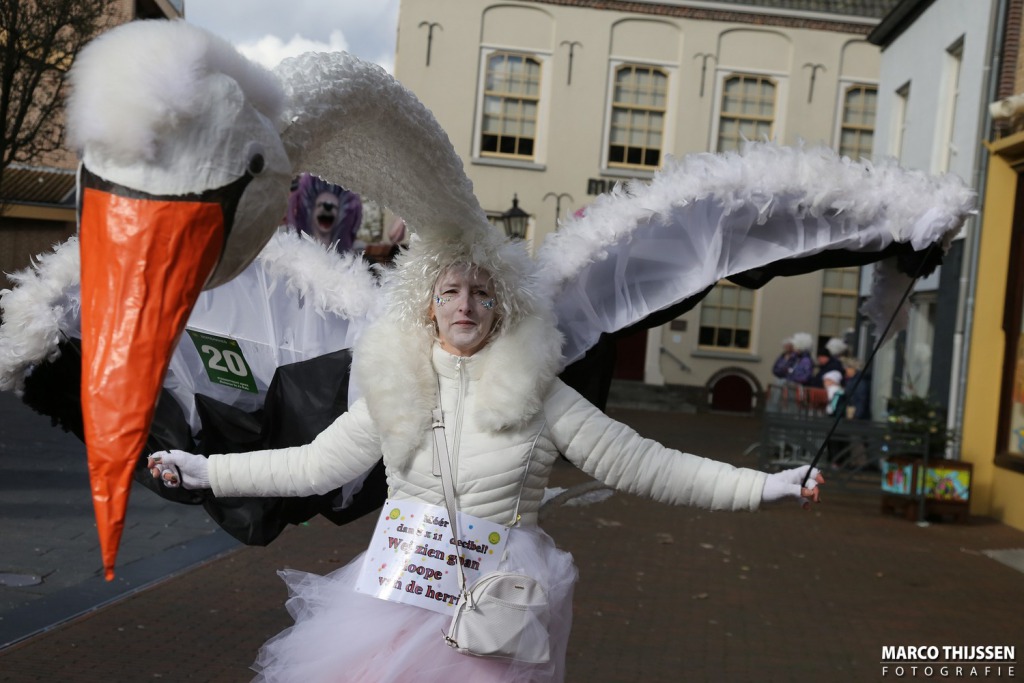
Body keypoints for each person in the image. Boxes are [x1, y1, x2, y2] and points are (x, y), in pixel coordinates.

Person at [148, 236, 823, 683]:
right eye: (449, 292)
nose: (464, 305)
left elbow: (644, 463)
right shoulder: (395, 386)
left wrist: (763, 486)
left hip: (494, 602)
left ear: (504, 305)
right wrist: (206, 470)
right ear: (428, 305)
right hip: (396, 599)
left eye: (480, 292)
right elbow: (312, 466)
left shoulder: (543, 394)